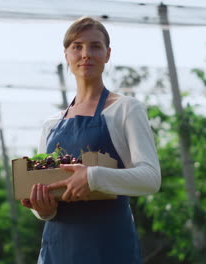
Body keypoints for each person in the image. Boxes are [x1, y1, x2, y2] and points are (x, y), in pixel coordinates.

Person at [21, 16, 161, 263]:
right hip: (57, 252)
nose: (86, 54)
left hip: (109, 250)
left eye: (95, 46)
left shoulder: (126, 109)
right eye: (77, 47)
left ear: (107, 54)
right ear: (66, 55)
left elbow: (150, 179)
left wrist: (92, 176)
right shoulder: (51, 125)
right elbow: (46, 193)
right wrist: (43, 210)